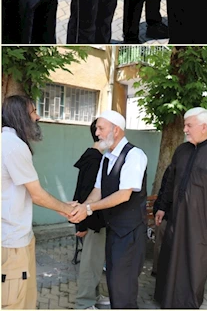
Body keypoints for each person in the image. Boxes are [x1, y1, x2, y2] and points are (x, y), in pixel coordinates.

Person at [153, 107, 207, 308]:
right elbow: (170, 181)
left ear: (203, 127)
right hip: (176, 217)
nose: (185, 130)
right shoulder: (181, 151)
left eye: (189, 125)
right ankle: (165, 299)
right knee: (170, 258)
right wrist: (162, 207)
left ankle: (187, 303)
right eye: (185, 125)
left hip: (203, 223)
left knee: (194, 263)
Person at [2, 95, 78, 309]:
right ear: (21, 116)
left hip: (18, 237)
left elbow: (26, 193)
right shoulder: (13, 146)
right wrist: (67, 209)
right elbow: (36, 194)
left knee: (25, 300)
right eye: (33, 111)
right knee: (13, 303)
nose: (38, 116)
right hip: (11, 241)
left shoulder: (7, 142)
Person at [68, 111, 148, 309]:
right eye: (97, 129)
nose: (97, 133)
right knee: (114, 281)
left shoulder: (134, 155)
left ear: (116, 130)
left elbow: (123, 195)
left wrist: (88, 208)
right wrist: (82, 207)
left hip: (130, 232)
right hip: (113, 229)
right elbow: (98, 190)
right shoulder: (106, 158)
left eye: (101, 128)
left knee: (124, 284)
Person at [72, 120, 110, 309]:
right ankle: (85, 303)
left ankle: (93, 296)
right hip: (92, 222)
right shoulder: (95, 161)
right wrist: (81, 225)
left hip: (94, 220)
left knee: (95, 262)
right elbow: (83, 193)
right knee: (90, 263)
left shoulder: (95, 157)